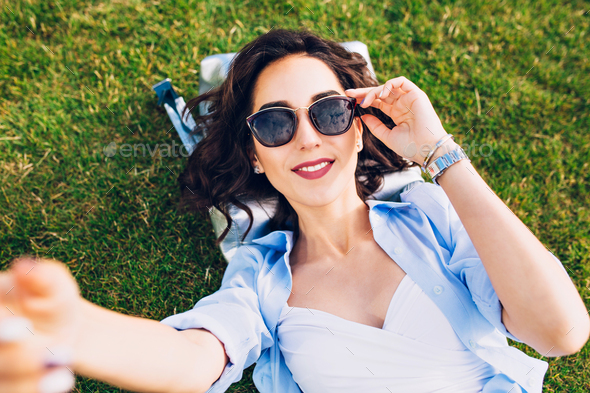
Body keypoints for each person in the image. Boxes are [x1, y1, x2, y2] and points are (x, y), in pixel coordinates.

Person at [0, 28, 588, 393]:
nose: (307, 137)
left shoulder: (431, 213)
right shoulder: (259, 276)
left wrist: (440, 155)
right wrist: (72, 329)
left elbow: (560, 332)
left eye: (329, 112)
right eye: (276, 123)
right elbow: (191, 360)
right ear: (256, 156)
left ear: (358, 131)